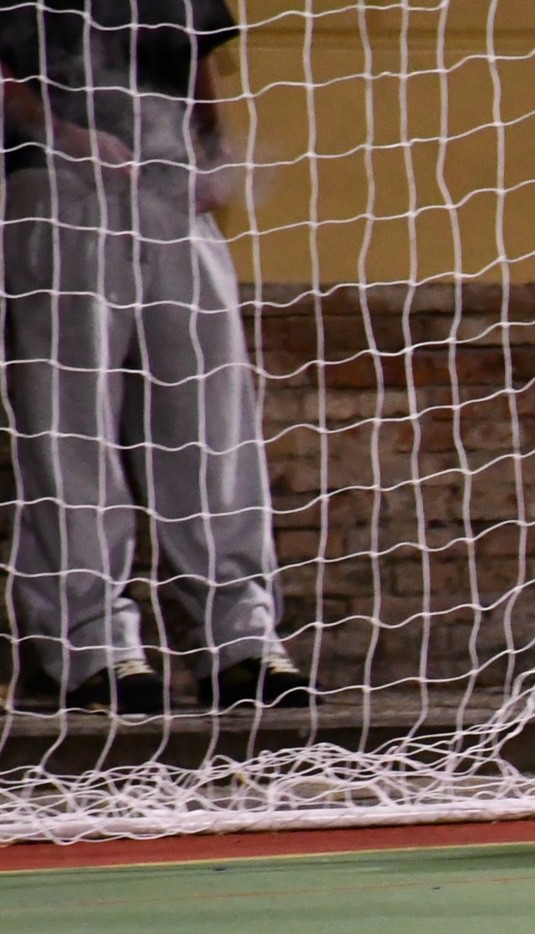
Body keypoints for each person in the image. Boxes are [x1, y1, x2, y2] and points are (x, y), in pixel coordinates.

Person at [0, 0, 319, 714]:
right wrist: (61, 134)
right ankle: (89, 647)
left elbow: (196, 53)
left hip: (169, 187)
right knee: (71, 425)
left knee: (211, 418)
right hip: (57, 187)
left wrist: (214, 150)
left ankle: (241, 640)